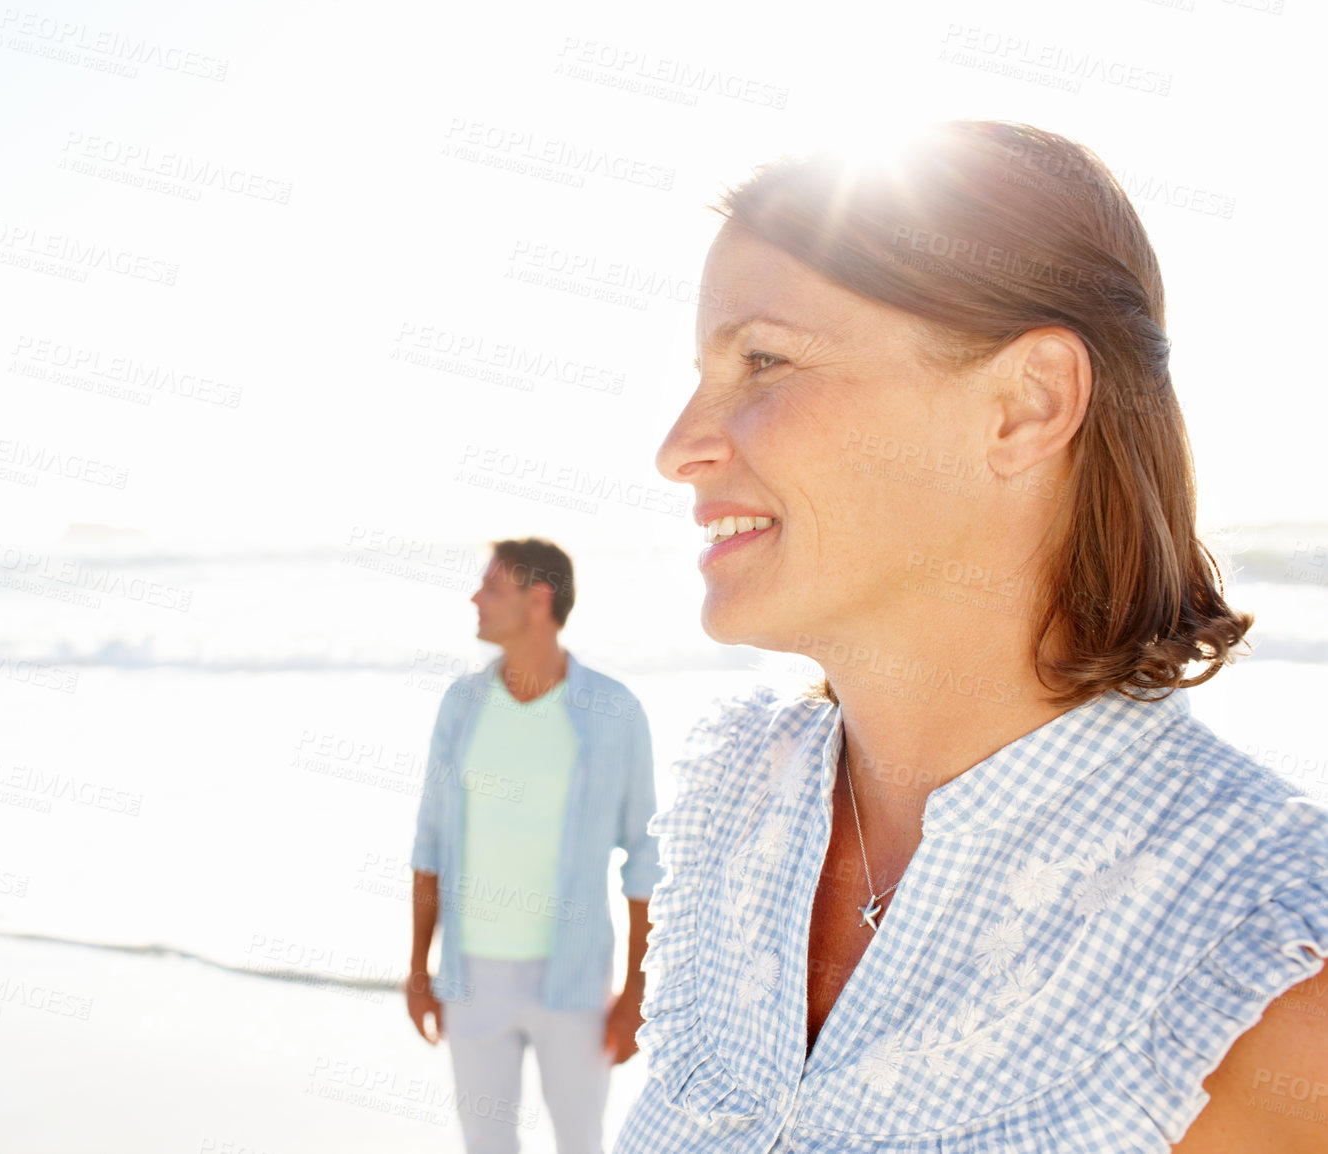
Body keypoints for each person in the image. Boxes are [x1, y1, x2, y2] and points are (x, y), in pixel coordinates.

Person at [613, 120, 1328, 1153]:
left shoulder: (1260, 966)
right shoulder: (740, 803)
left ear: (1024, 405)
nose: (678, 445)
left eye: (762, 359)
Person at [406, 537, 664, 1154]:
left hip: (574, 981)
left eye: (493, 587)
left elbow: (646, 861)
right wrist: (419, 968)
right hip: (471, 978)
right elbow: (430, 843)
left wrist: (635, 993)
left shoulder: (613, 711)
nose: (476, 598)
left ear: (539, 599)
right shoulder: (462, 705)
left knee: (581, 1143)